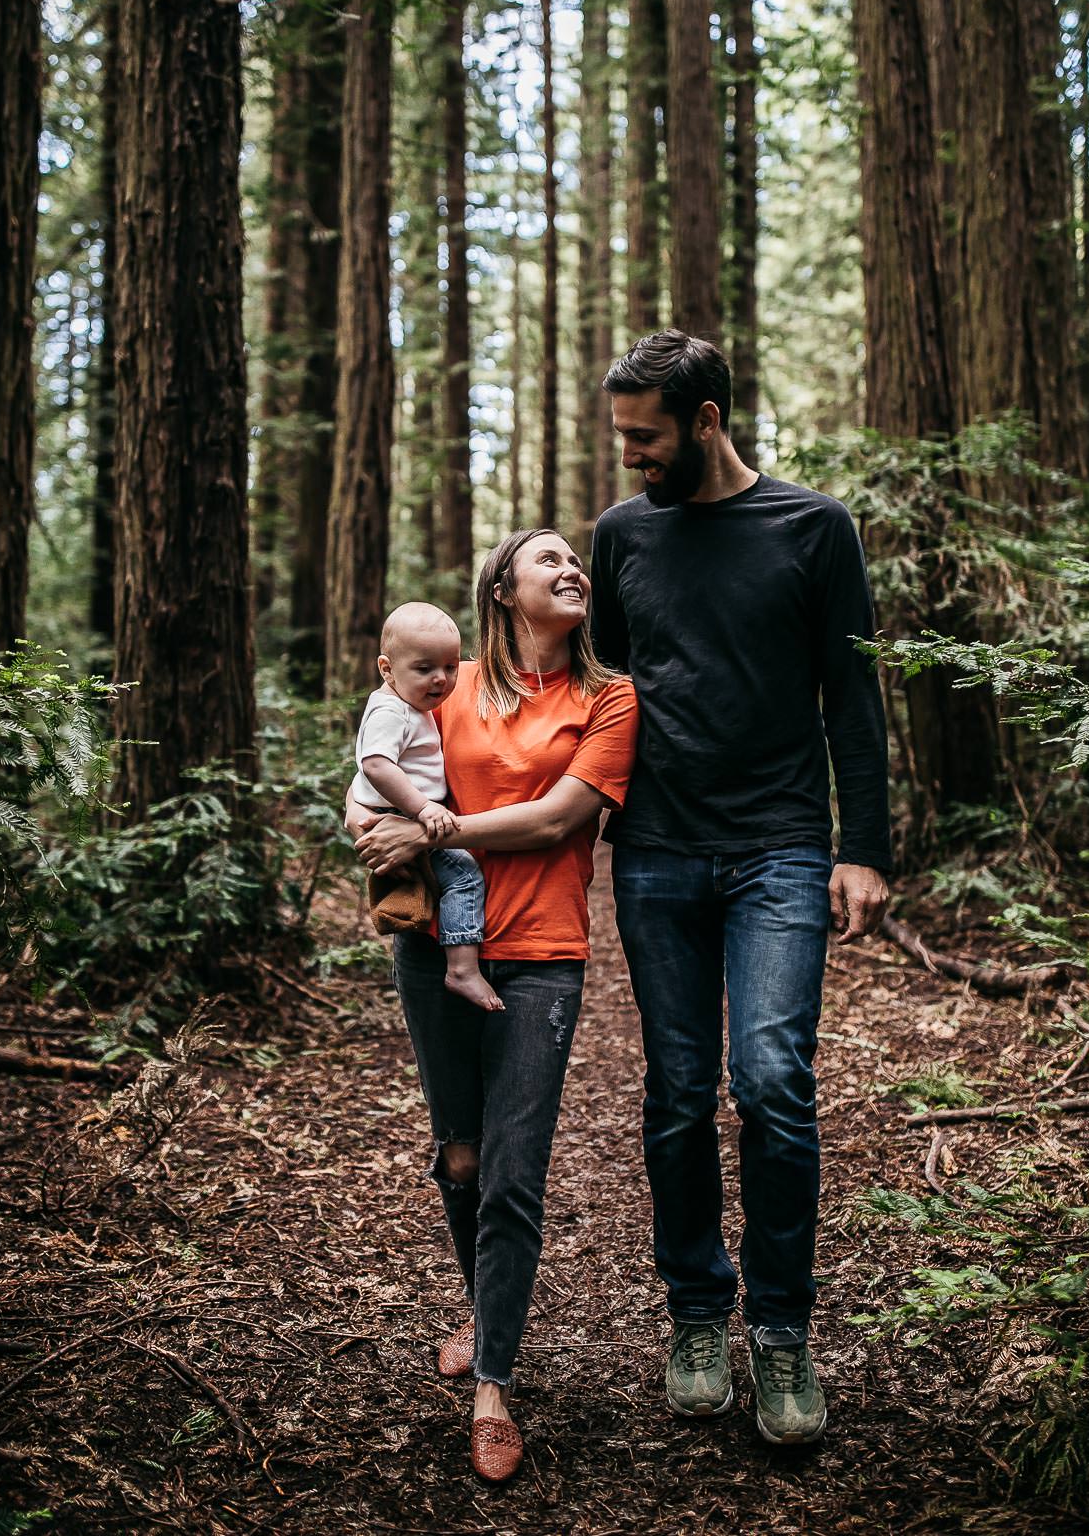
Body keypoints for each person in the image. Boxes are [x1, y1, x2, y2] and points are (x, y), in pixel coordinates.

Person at [589, 329, 892, 1446]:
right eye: (622, 434)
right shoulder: (622, 534)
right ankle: (696, 1313)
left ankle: (782, 1330)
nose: (628, 456)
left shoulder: (813, 528)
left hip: (778, 846)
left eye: (644, 435)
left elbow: (852, 702)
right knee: (675, 1091)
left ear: (706, 420)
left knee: (770, 1080)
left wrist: (864, 846)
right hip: (658, 850)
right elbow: (606, 688)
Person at [347, 530, 639, 1483]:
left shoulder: (608, 697)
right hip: (433, 952)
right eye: (546, 557)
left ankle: (495, 1385)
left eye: (576, 558)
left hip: (543, 956)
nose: (571, 568)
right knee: (462, 1156)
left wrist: (436, 833)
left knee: (514, 1175)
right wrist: (370, 825)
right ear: (504, 591)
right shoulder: (450, 681)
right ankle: (486, 1316)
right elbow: (375, 764)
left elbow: (563, 817)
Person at [355, 601, 502, 1013]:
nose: (441, 679)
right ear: (387, 668)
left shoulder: (407, 705)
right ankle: (461, 967)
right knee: (464, 876)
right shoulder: (389, 710)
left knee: (428, 883)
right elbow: (375, 765)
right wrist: (422, 809)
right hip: (405, 815)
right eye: (424, 669)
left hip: (405, 814)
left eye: (451, 667)